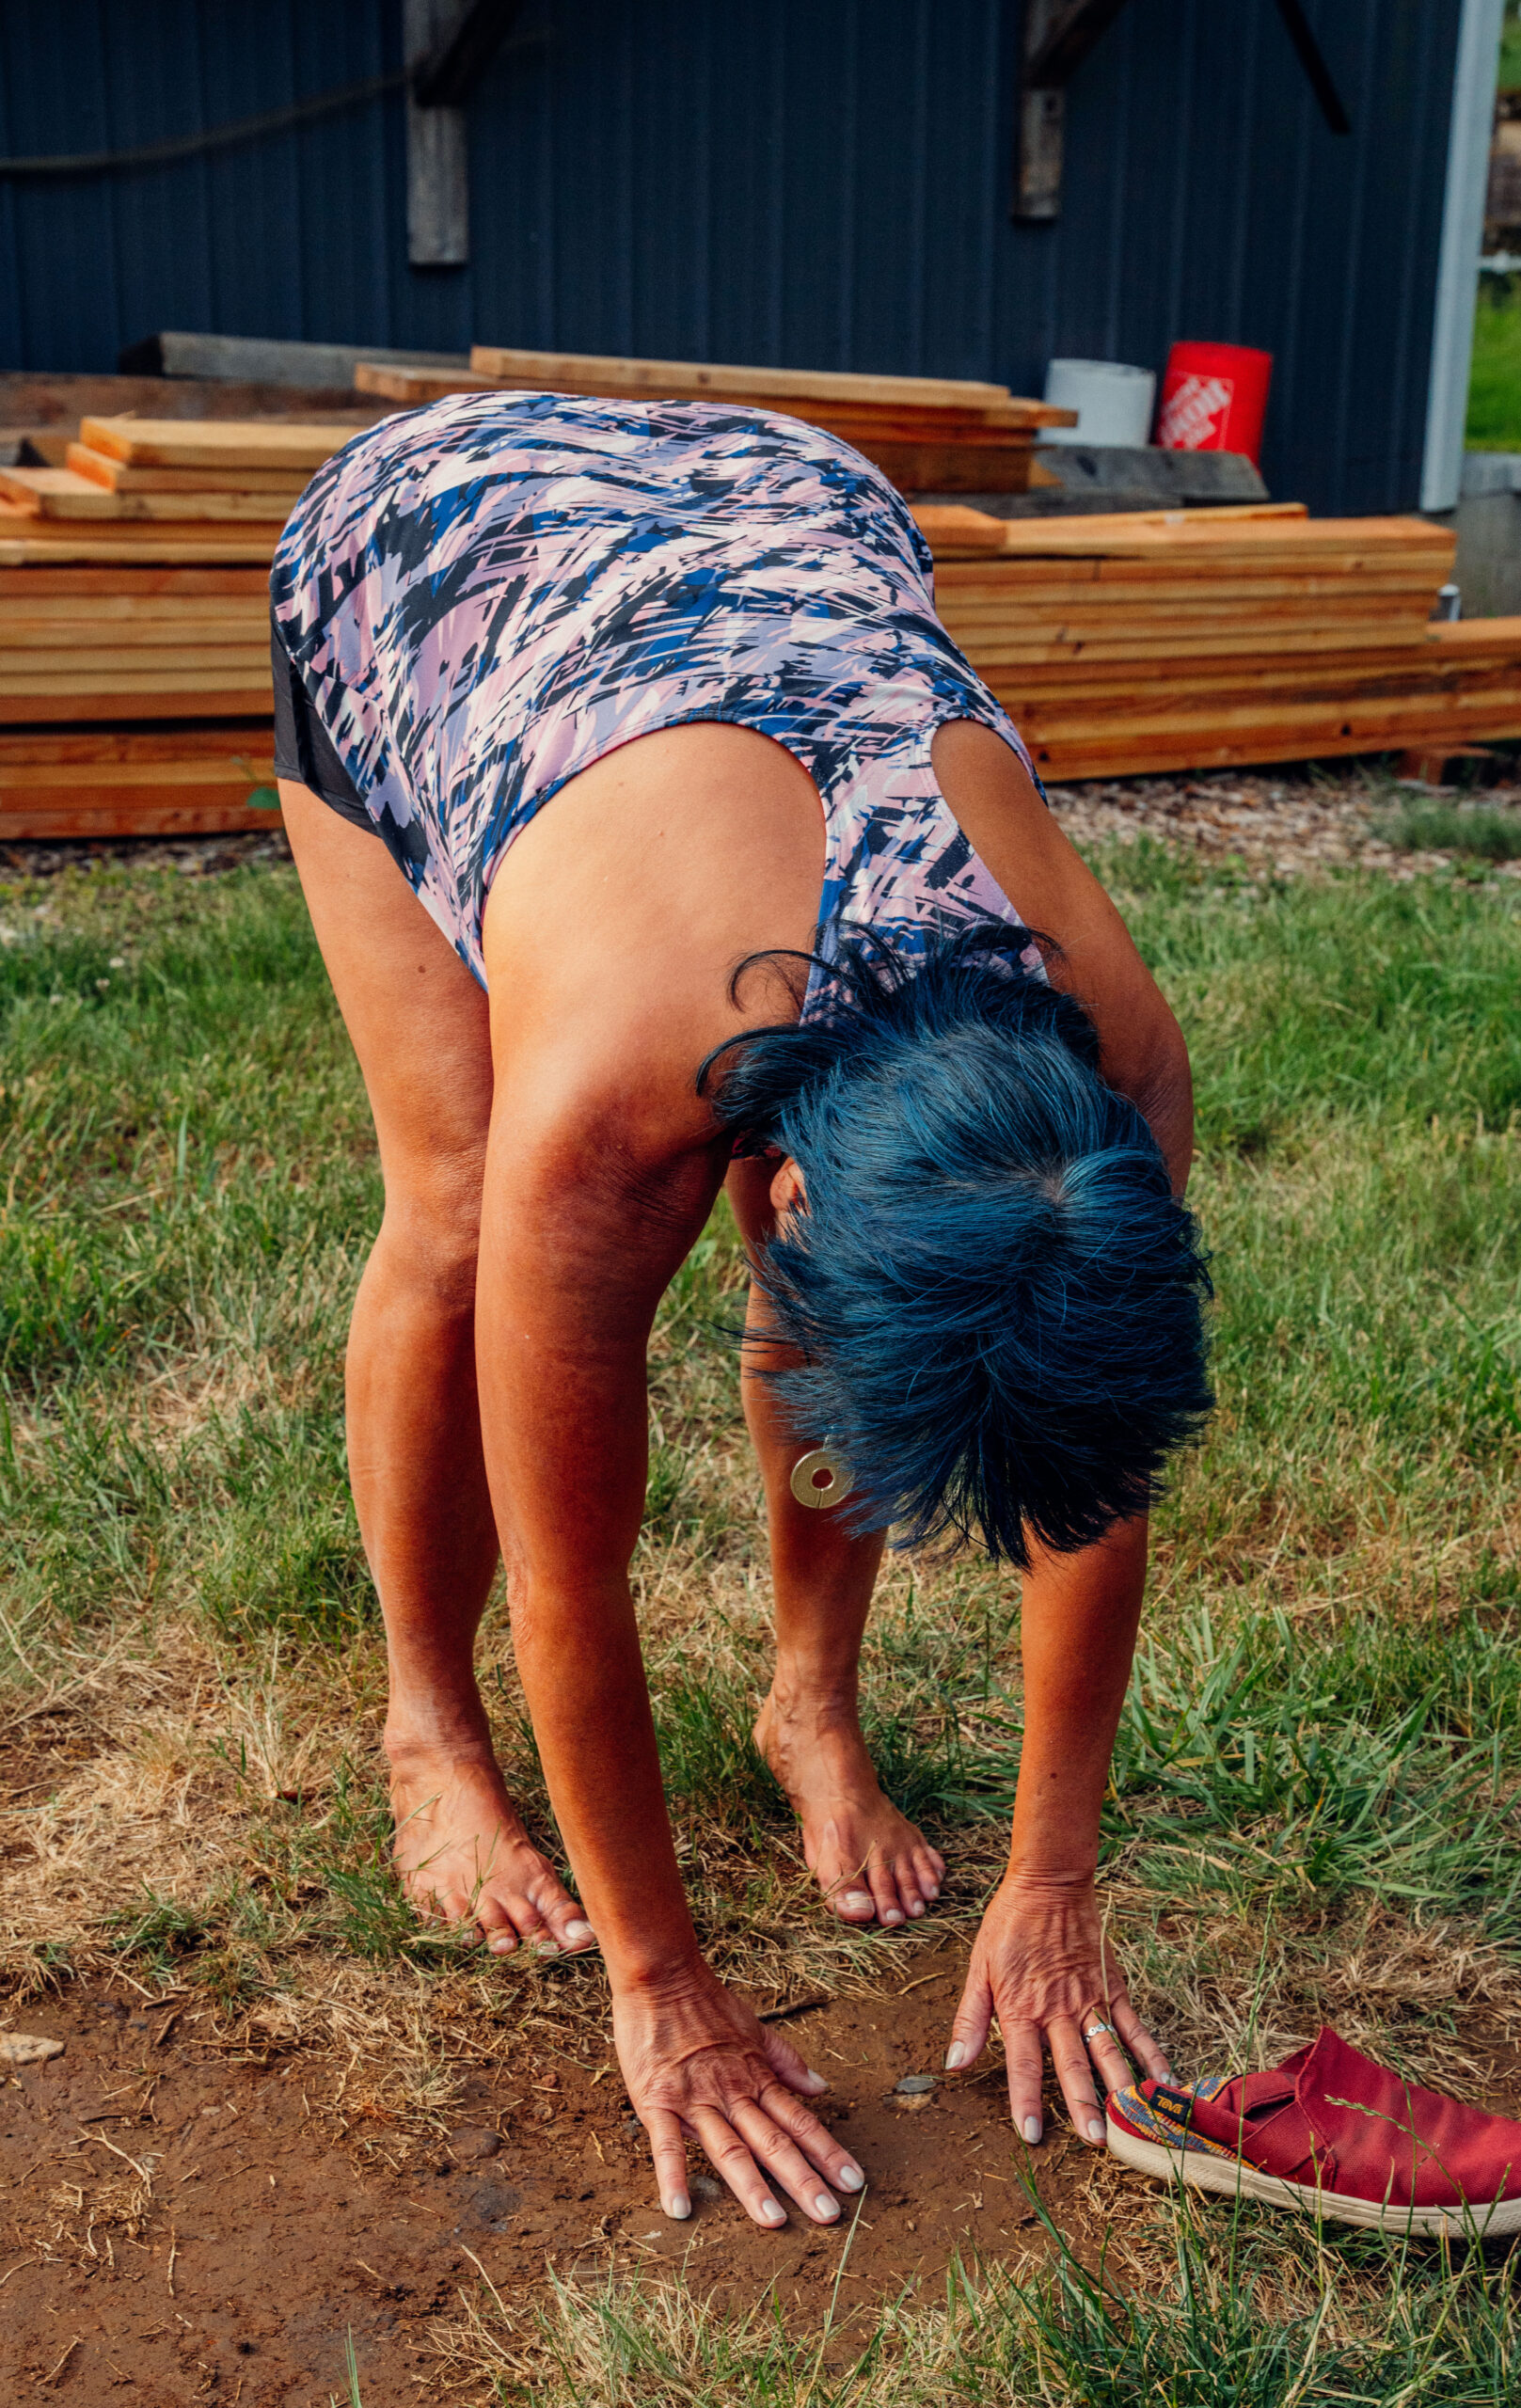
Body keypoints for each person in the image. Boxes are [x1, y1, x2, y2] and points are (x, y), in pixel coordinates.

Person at [270, 390, 1212, 2231]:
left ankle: (809, 1707)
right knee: (451, 1208)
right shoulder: (603, 1123)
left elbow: (1090, 1460)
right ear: (771, 1201)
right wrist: (661, 1984)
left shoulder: (1111, 1066)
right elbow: (571, 1580)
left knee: (916, 1307)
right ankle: (423, 1733)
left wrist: (1052, 1875)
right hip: (436, 554)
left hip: (791, 506)